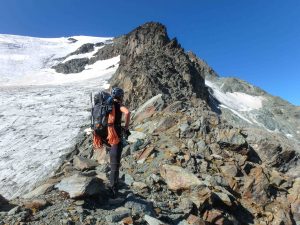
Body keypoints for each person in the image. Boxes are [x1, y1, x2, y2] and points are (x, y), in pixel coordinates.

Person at [93, 87, 130, 198]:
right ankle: (113, 190)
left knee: (113, 160)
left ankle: (113, 183)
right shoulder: (118, 105)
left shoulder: (104, 106)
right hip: (114, 137)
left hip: (104, 136)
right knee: (115, 164)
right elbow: (127, 113)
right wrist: (126, 128)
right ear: (120, 96)